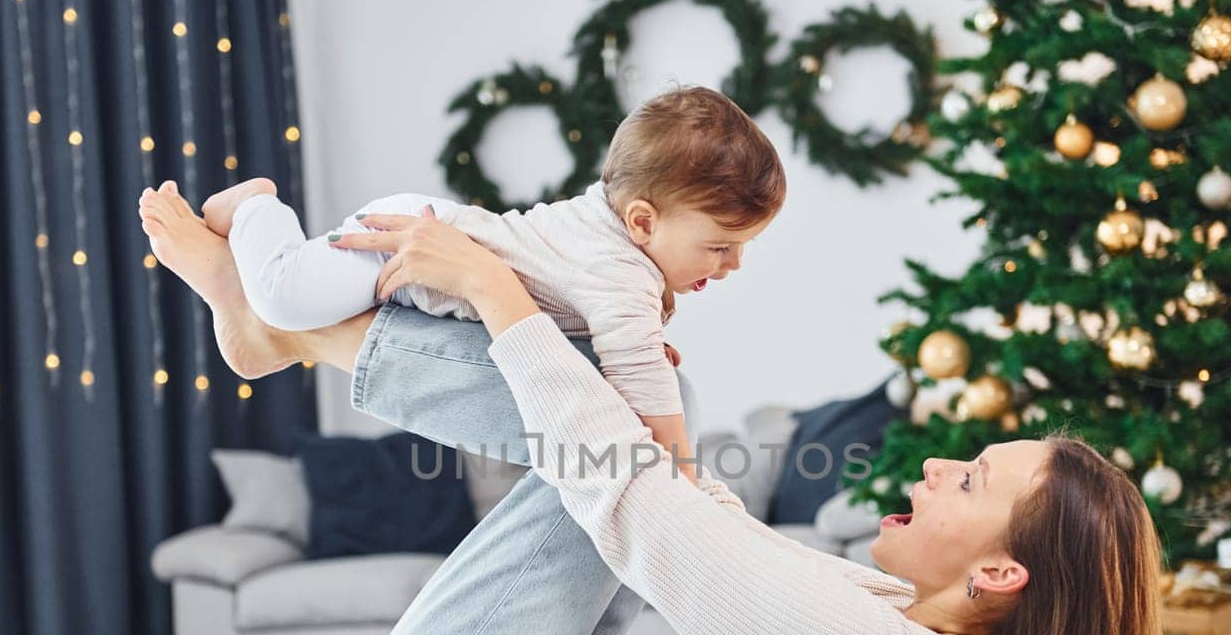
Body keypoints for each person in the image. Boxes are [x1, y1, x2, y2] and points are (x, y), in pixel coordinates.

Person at [138, 193, 1175, 635]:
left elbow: (637, 508)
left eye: (973, 478)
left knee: (613, 441)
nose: (939, 466)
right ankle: (279, 334)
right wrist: (625, 383)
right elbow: (693, 518)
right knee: (625, 414)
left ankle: (284, 327)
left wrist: (500, 294)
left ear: (1000, 573)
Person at [149, 86, 785, 482]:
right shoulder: (620, 271)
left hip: (425, 267)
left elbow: (609, 340)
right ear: (643, 221)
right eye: (720, 246)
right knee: (281, 294)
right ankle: (259, 211)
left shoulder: (612, 234)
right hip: (400, 250)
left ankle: (276, 329)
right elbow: (643, 381)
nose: (730, 266)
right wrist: (685, 481)